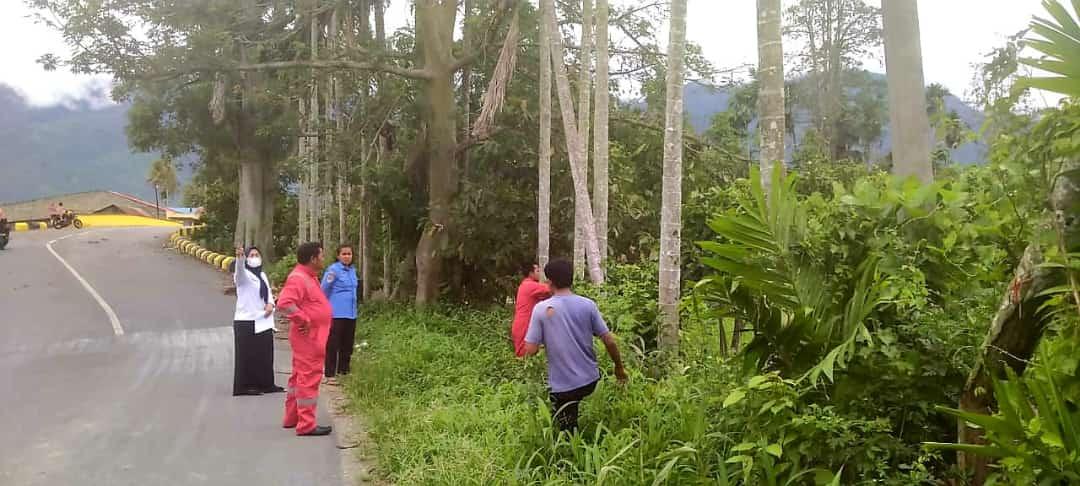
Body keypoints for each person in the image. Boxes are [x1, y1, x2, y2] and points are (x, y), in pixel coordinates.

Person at [523, 259, 628, 433]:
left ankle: (573, 453)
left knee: (566, 430)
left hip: (563, 387)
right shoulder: (588, 305)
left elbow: (530, 350)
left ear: (550, 282)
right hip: (591, 380)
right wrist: (619, 367)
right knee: (574, 404)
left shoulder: (541, 309)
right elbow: (609, 340)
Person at [276, 242, 334, 437]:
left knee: (298, 377)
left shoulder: (309, 277)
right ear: (313, 259)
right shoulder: (299, 278)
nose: (323, 259)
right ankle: (306, 424)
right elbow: (284, 303)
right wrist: (303, 319)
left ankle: (292, 417)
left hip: (311, 336)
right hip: (308, 337)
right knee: (309, 377)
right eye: (322, 256)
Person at [232, 246, 284, 396]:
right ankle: (245, 386)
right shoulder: (242, 276)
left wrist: (270, 304)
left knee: (265, 353)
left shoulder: (262, 275)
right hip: (246, 320)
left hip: (263, 319)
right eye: (251, 255)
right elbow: (240, 271)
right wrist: (240, 258)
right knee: (247, 355)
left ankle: (266, 384)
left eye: (257, 254)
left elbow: (267, 293)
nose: (255, 257)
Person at [321, 245, 360, 384]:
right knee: (333, 344)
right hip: (336, 313)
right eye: (344, 254)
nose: (347, 256)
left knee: (347, 344)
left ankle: (344, 371)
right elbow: (324, 290)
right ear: (338, 256)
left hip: (351, 313)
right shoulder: (333, 271)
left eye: (349, 254)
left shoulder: (352, 271)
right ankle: (329, 374)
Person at [511, 262, 551, 357]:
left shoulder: (525, 285)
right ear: (530, 273)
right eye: (537, 271)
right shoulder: (529, 285)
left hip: (523, 323)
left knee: (528, 354)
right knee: (524, 355)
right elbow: (550, 288)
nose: (539, 273)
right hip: (524, 324)